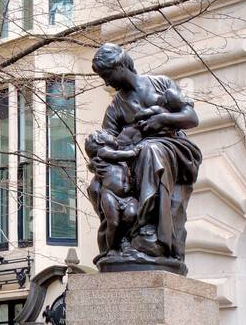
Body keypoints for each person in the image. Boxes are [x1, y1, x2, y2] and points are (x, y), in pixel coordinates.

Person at [90, 43, 202, 270]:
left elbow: (191, 118)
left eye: (107, 75)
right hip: (135, 155)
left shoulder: (161, 84)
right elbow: (105, 141)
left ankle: (150, 230)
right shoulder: (115, 107)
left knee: (150, 151)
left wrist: (163, 120)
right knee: (96, 185)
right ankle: (119, 239)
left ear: (121, 65)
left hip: (174, 148)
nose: (106, 82)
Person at [85, 128, 141, 258]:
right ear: (100, 141)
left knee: (132, 215)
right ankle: (112, 248)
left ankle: (125, 241)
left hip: (128, 197)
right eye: (109, 136)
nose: (114, 137)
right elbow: (118, 155)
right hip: (110, 195)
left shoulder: (118, 161)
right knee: (113, 222)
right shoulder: (103, 152)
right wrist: (134, 152)